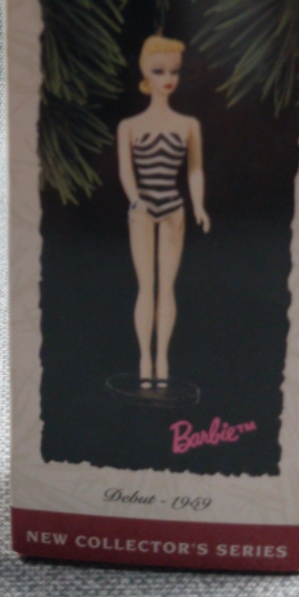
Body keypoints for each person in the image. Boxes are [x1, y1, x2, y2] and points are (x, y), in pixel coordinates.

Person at [117, 34, 209, 388]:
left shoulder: (188, 125)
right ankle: (144, 359)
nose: (168, 78)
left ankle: (162, 359)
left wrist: (199, 205)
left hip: (173, 207)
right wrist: (134, 199)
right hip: (142, 209)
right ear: (145, 71)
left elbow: (195, 170)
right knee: (146, 286)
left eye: (173, 71)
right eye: (159, 70)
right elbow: (126, 170)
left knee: (166, 288)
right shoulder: (130, 126)